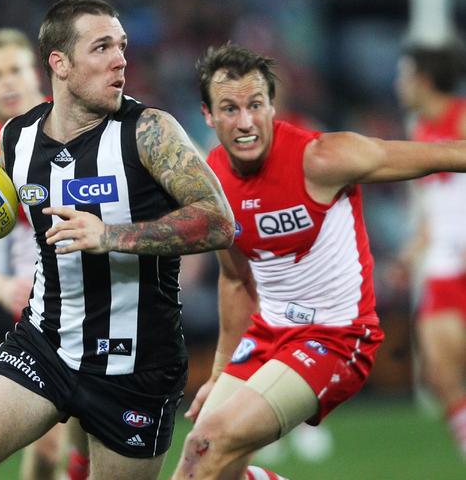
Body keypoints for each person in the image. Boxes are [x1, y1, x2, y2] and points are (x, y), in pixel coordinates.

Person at [0, 0, 234, 480]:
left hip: (137, 365)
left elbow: (220, 222)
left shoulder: (150, 131)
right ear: (59, 64)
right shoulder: (16, 138)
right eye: (102, 47)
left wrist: (113, 235)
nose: (120, 59)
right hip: (45, 344)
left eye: (122, 47)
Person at [172, 42, 466, 480]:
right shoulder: (212, 185)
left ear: (273, 106)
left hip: (336, 337)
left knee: (215, 436)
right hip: (269, 331)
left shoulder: (322, 158)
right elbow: (235, 282)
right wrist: (219, 372)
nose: (246, 121)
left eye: (256, 105)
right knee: (198, 458)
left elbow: (445, 155)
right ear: (208, 116)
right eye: (230, 109)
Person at [0, 27, 90, 479]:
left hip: (112, 301)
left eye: (15, 69)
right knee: (53, 445)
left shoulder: (82, 119)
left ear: (37, 70)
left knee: (76, 448)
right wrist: (3, 285)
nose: (8, 83)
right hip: (46, 310)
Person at [394, 43, 466, 460]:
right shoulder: (420, 133)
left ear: (421, 79)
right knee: (438, 371)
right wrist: (412, 250)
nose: (398, 85)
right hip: (442, 260)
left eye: (403, 76)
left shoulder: (462, 118)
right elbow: (433, 208)